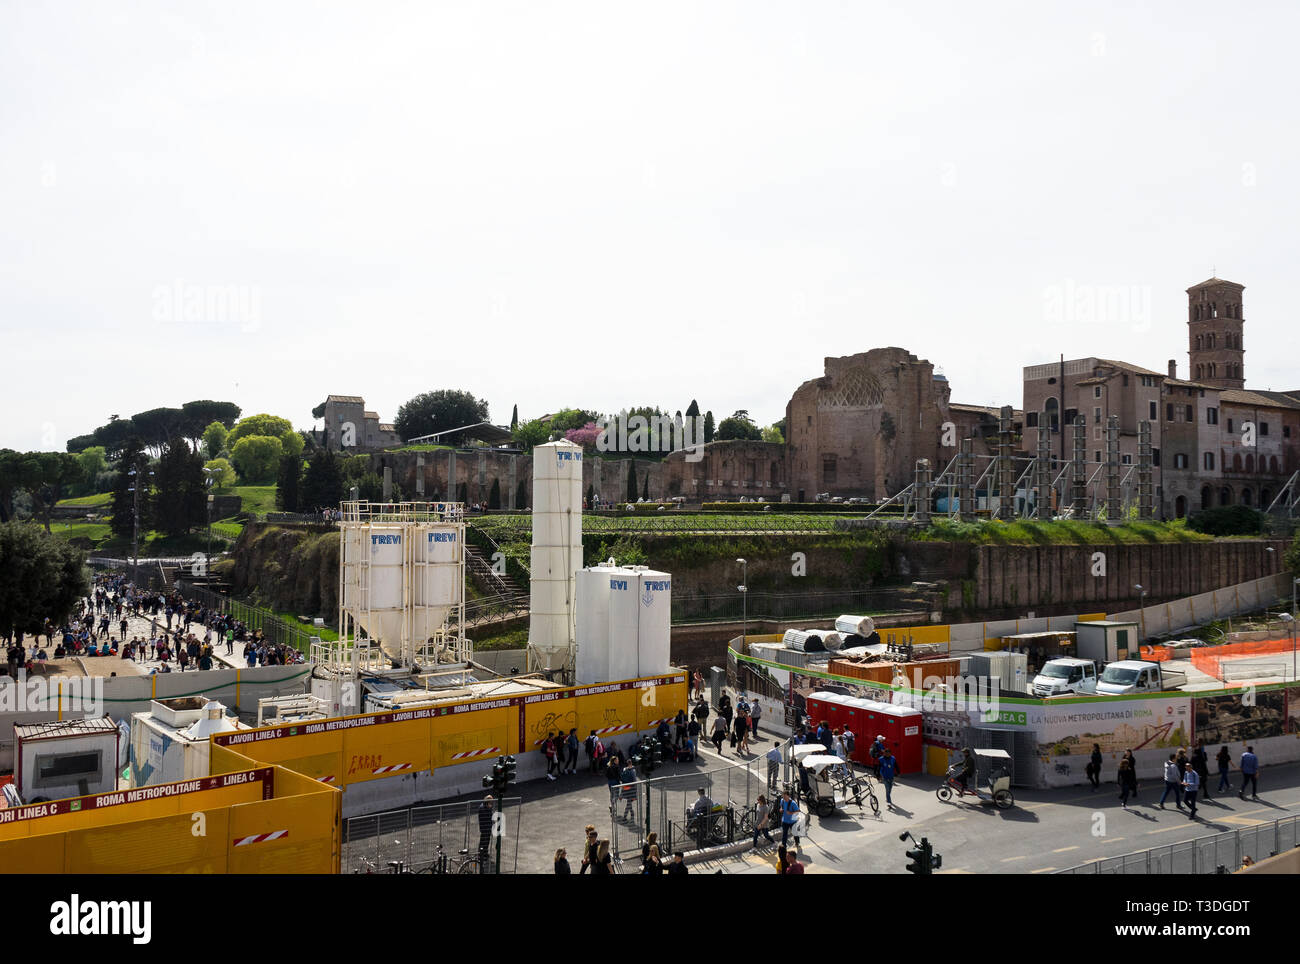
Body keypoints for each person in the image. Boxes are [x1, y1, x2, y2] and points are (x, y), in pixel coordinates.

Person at [477, 795, 494, 861]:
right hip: (485, 827)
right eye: (490, 802)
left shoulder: (485, 806)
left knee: (486, 840)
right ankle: (481, 854)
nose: (491, 804)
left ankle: (485, 853)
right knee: (483, 841)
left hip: (487, 827)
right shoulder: (483, 807)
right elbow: (487, 816)